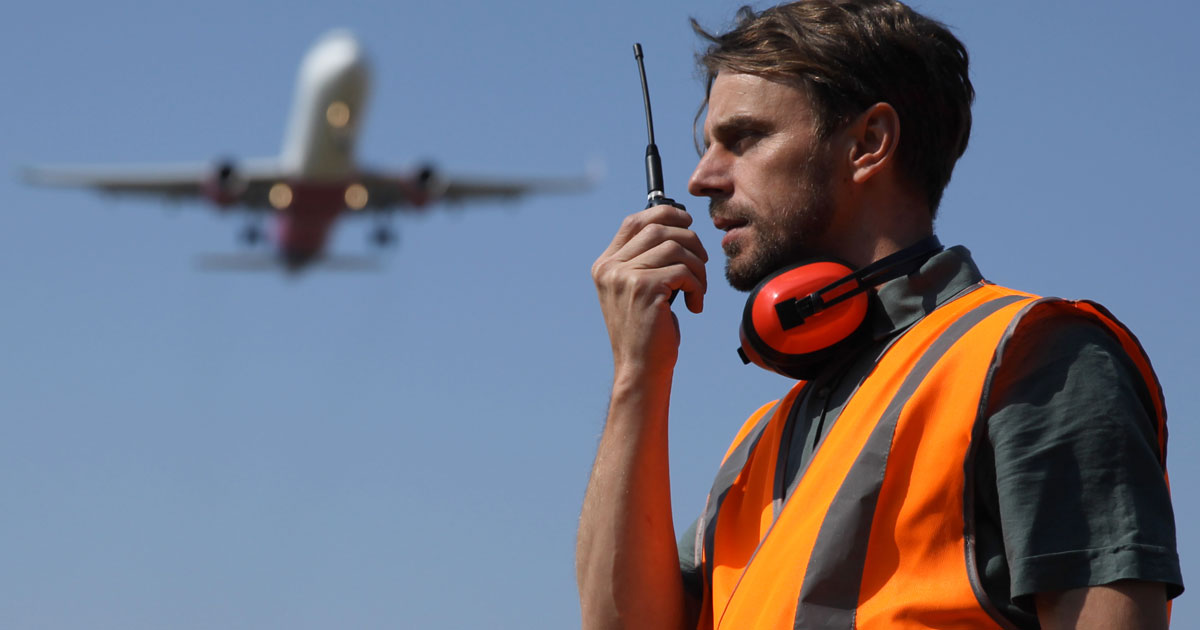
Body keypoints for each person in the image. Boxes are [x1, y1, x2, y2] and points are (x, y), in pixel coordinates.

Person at [576, 1, 1182, 629]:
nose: (702, 179)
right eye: (708, 147)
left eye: (745, 138)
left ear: (868, 143)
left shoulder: (1039, 358)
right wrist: (636, 375)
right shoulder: (758, 446)